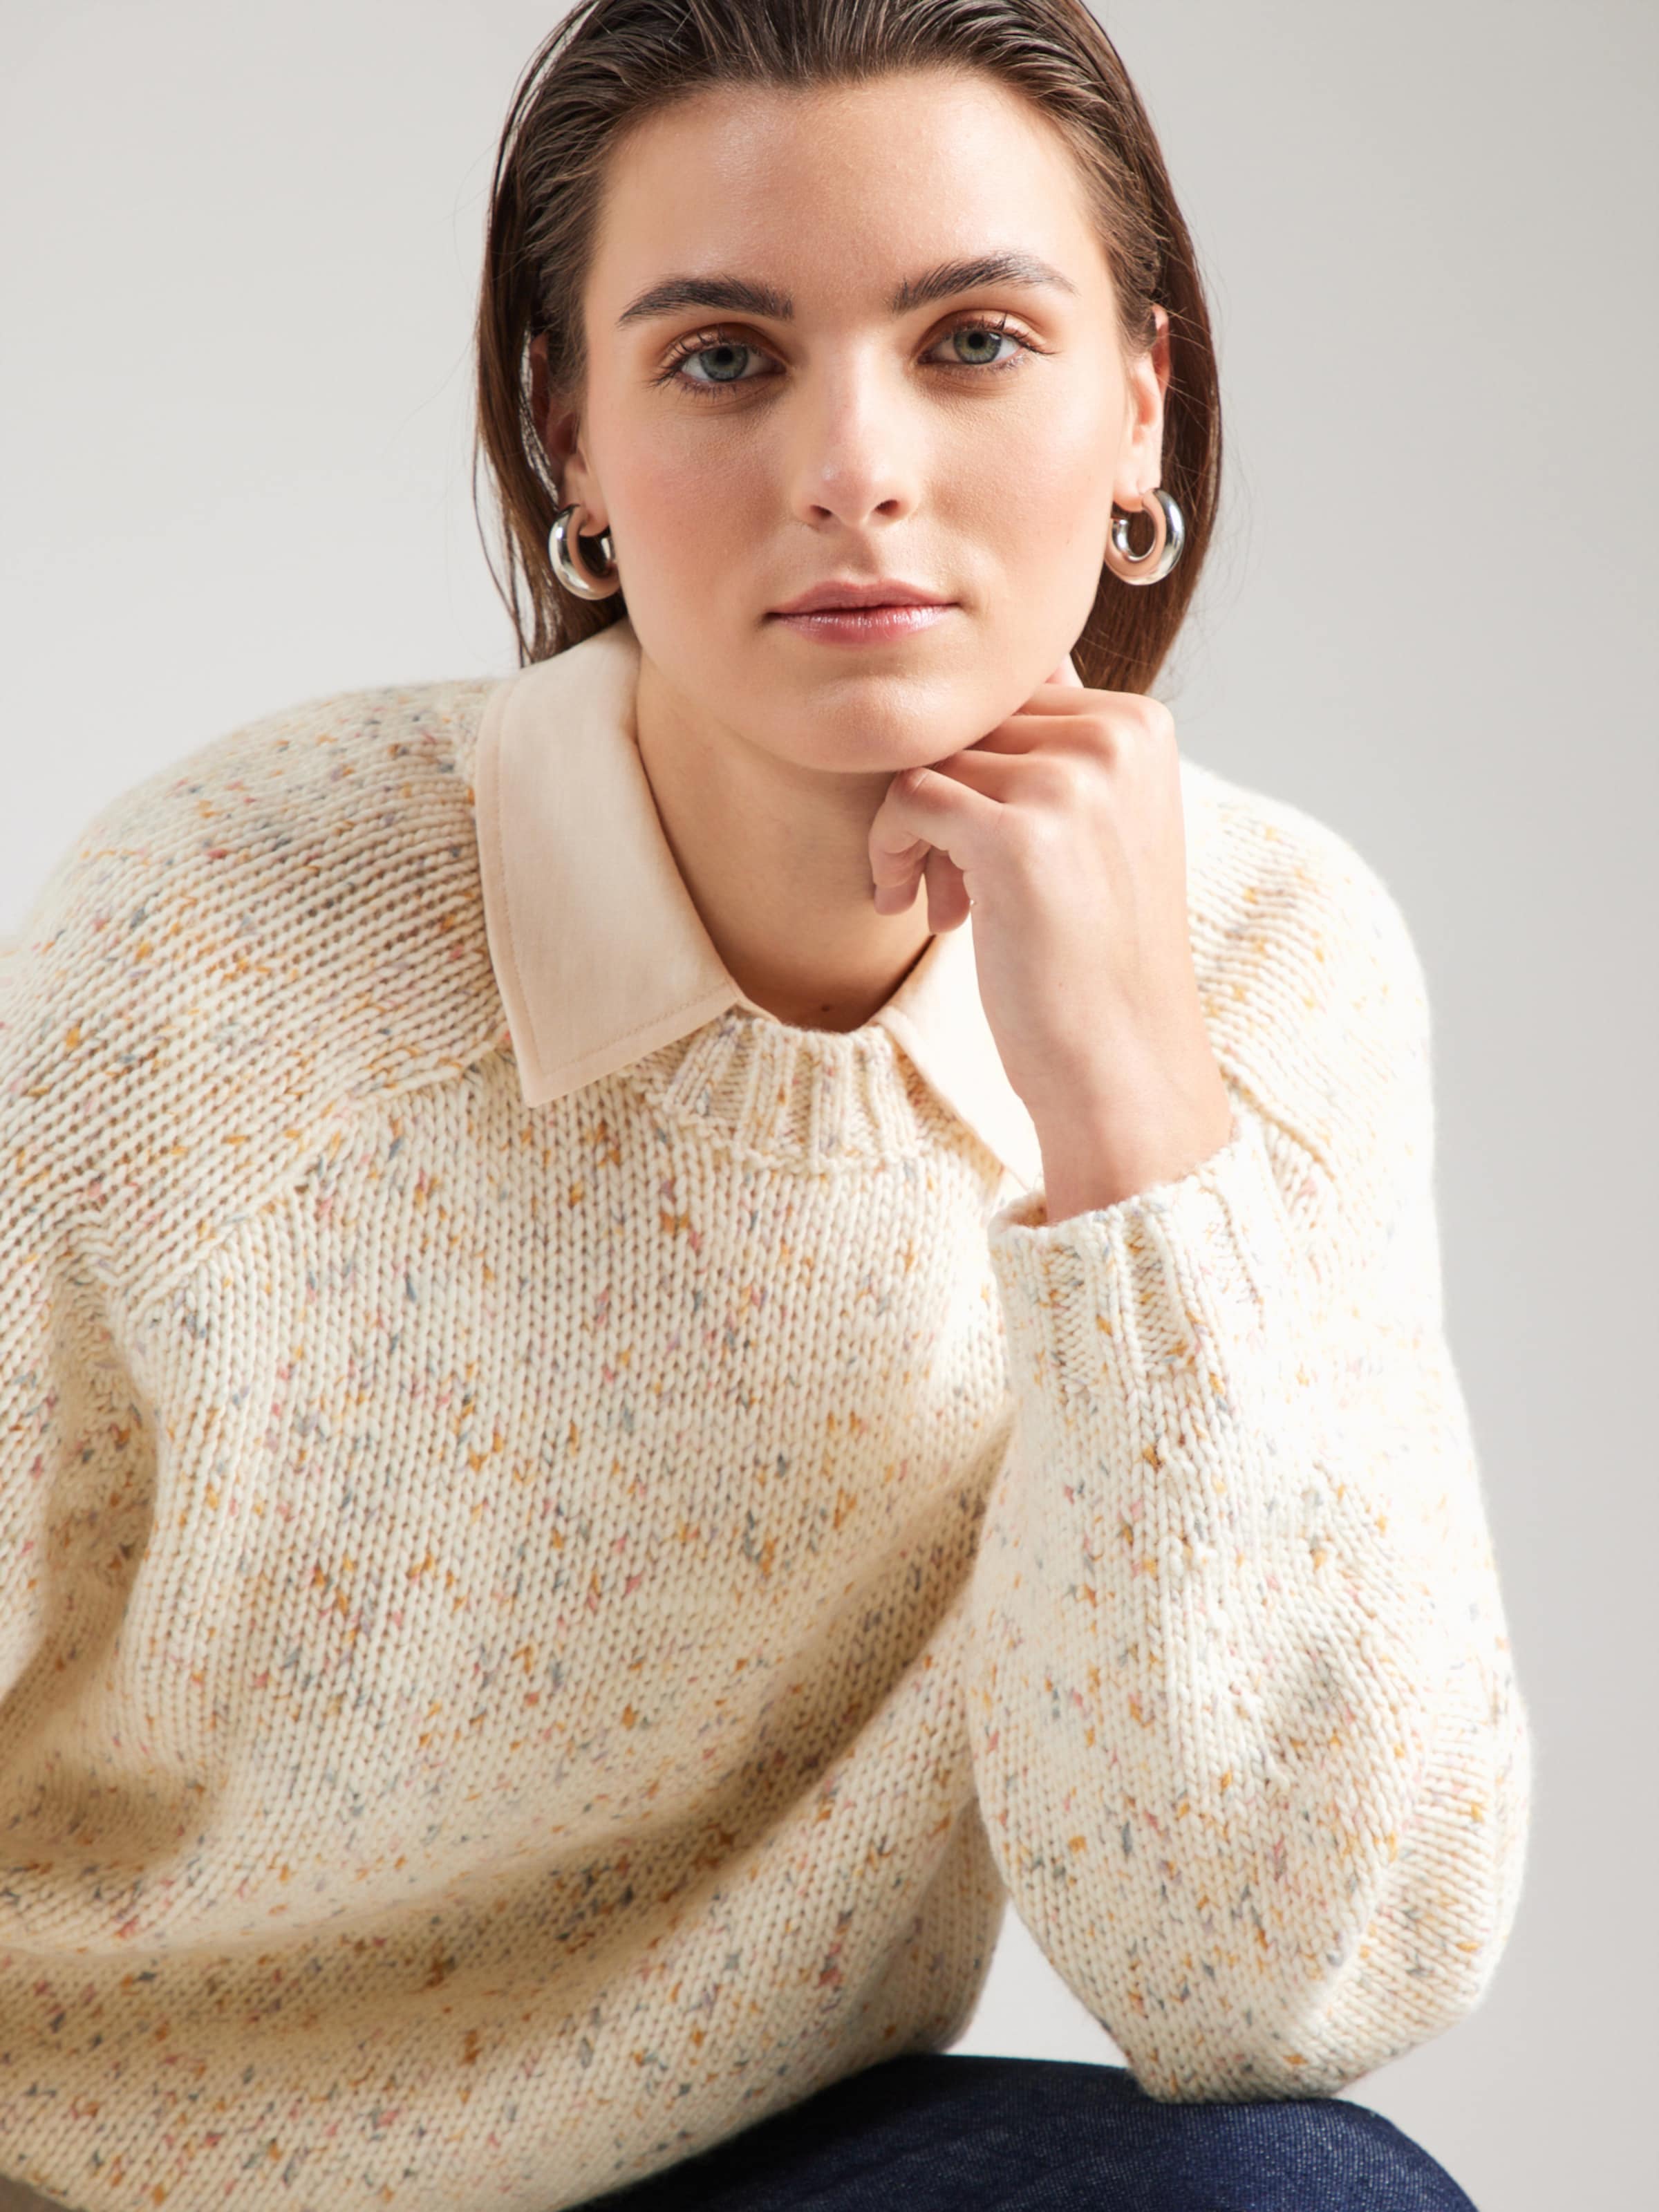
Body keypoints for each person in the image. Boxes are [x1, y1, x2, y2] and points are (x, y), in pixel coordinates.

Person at [0, 3, 1531, 2208]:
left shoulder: (1274, 970)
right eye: (724, 358)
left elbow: (1272, 1982)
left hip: (745, 2165)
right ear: (571, 434)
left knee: (1302, 2198)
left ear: (1142, 401)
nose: (855, 467)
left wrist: (1129, 1113)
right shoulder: (222, 947)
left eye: (974, 341)